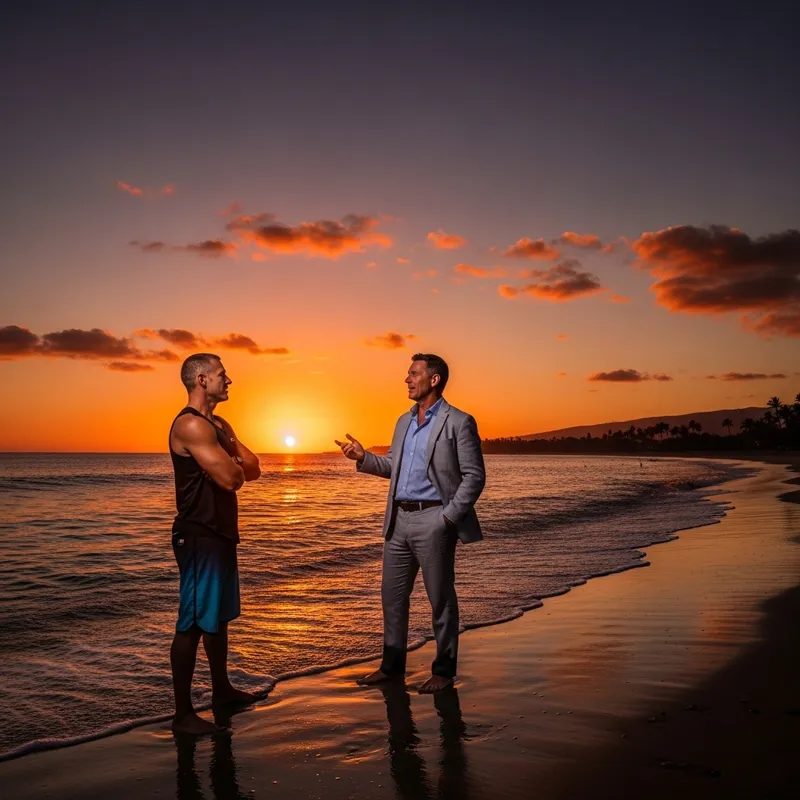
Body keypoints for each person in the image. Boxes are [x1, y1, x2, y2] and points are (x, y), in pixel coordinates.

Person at [336, 353, 486, 693]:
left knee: (441, 599)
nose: (406, 379)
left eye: (413, 373)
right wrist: (363, 458)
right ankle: (392, 667)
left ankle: (444, 671)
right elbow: (395, 468)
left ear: (433, 380)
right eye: (408, 373)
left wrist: (447, 518)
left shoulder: (458, 421)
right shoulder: (403, 422)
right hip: (397, 521)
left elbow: (474, 477)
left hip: (434, 518)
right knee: (392, 596)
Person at [168, 353, 262, 735]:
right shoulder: (189, 425)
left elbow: (253, 467)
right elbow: (232, 478)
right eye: (223, 374)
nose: (230, 380)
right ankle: (182, 715)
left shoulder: (219, 424)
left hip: (222, 532)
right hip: (198, 535)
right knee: (191, 623)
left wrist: (234, 461)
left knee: (218, 618)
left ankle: (221, 690)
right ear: (202, 379)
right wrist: (234, 462)